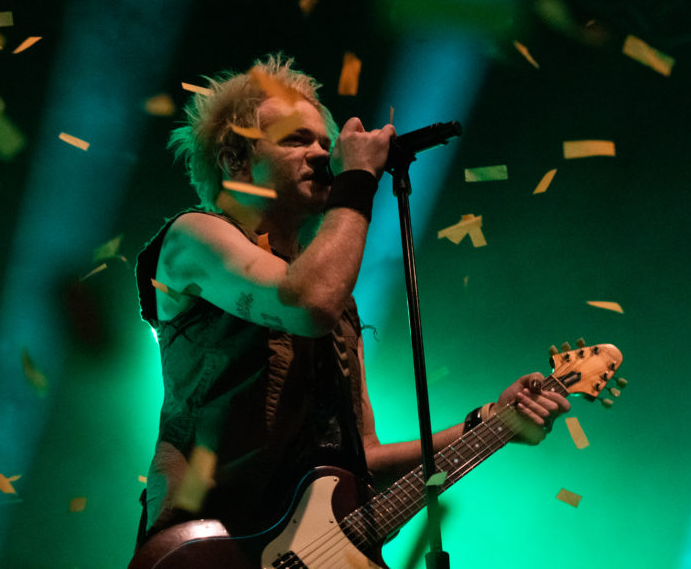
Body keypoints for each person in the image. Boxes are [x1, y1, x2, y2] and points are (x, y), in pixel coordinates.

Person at [131, 53, 569, 558]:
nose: (323, 155)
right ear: (236, 161)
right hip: (207, 554)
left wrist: (492, 422)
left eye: (325, 142)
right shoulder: (193, 237)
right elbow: (307, 303)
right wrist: (357, 179)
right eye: (297, 140)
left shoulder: (340, 303)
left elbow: (364, 464)